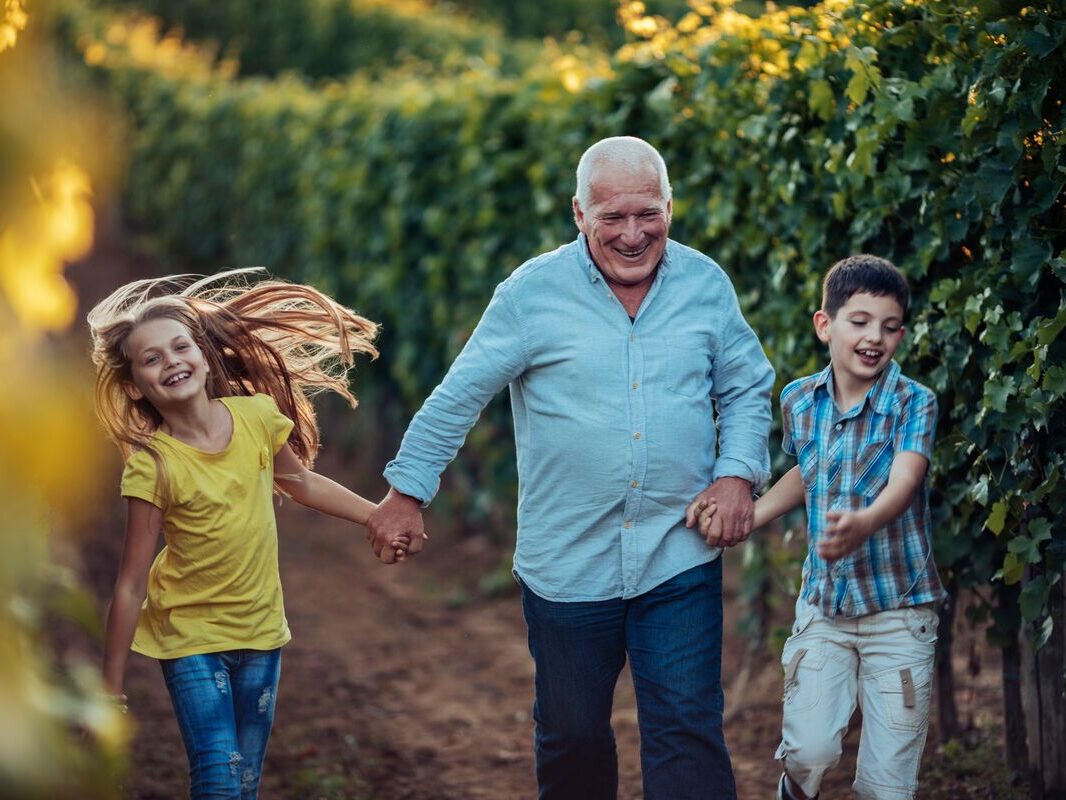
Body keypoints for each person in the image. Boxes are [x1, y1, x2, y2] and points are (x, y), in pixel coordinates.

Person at [367, 136, 774, 799]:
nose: (634, 233)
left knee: (687, 731)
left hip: (679, 552)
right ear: (578, 214)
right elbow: (460, 394)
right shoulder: (532, 294)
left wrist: (736, 474)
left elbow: (746, 387)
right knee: (573, 737)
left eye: (649, 213)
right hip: (567, 564)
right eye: (613, 217)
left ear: (671, 206)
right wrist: (407, 491)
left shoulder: (705, 284)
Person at [90, 269, 401, 799]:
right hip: (191, 638)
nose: (171, 362)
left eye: (180, 347)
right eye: (151, 358)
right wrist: (109, 689)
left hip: (260, 632)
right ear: (134, 385)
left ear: (205, 358)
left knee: (245, 782)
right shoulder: (154, 466)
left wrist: (377, 514)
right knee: (218, 778)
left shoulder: (256, 418)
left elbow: (301, 482)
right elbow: (129, 583)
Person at [690, 254, 944, 800]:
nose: (875, 336)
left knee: (887, 784)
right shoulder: (800, 401)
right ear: (825, 325)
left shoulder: (913, 404)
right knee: (809, 751)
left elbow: (907, 476)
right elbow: (809, 471)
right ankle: (794, 790)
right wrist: (749, 517)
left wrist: (867, 520)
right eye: (860, 321)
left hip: (899, 613)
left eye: (890, 325)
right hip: (824, 607)